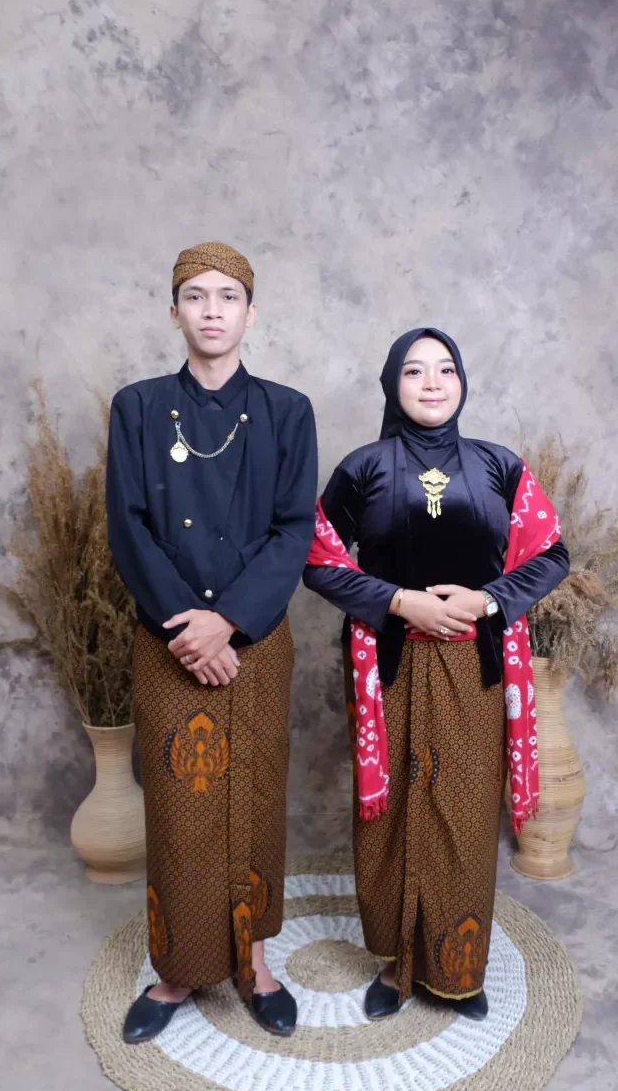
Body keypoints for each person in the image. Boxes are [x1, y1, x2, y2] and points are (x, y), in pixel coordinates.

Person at [304, 328, 569, 1020]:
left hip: (474, 666)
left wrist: (488, 600)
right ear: (392, 384)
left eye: (445, 369)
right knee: (393, 812)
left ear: (461, 382)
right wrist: (398, 601)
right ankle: (397, 964)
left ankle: (457, 967)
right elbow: (317, 557)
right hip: (387, 662)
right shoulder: (363, 467)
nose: (430, 382)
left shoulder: (499, 466)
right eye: (414, 371)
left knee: (464, 811)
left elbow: (550, 553)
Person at [106, 242, 317, 1042]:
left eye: (228, 296)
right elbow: (127, 528)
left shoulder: (287, 411)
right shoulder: (136, 407)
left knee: (254, 800)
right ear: (174, 313)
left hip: (253, 638)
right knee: (177, 805)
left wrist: (226, 620)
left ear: (250, 313)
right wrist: (187, 627)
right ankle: (176, 969)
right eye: (195, 296)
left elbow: (292, 530)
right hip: (167, 639)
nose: (212, 310)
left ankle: (254, 962)